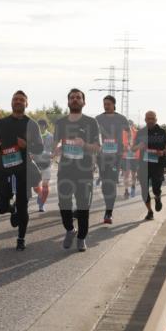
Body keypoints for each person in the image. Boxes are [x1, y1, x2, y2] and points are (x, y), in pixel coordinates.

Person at [0, 91, 43, 250]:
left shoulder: (32, 124)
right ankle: (11, 209)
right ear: (11, 103)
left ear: (27, 103)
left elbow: (39, 148)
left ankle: (21, 238)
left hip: (23, 170)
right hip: (4, 169)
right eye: (15, 99)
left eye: (21, 100)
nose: (18, 102)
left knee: (23, 205)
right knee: (1, 207)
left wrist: (27, 146)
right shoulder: (2, 123)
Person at [53, 88, 101, 252]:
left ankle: (81, 238)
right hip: (65, 169)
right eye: (72, 97)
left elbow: (97, 148)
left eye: (78, 97)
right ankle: (70, 229)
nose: (75, 99)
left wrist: (84, 145)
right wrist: (57, 148)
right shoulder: (60, 122)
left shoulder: (91, 122)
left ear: (83, 102)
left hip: (84, 171)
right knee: (64, 203)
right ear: (68, 102)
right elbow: (55, 144)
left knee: (82, 206)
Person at [96, 95, 130, 224]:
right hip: (102, 156)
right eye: (104, 104)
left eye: (108, 104)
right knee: (105, 184)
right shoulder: (98, 119)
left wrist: (129, 143)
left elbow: (129, 132)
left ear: (114, 104)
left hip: (116, 155)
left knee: (111, 182)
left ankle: (108, 212)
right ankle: (108, 208)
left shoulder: (121, 118)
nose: (106, 106)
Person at [136, 112, 166, 220]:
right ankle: (150, 211)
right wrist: (139, 146)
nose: (150, 120)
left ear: (156, 119)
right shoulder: (140, 132)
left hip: (158, 165)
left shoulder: (162, 132)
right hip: (143, 165)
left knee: (156, 188)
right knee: (144, 191)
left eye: (152, 118)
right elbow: (132, 148)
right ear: (145, 119)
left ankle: (157, 197)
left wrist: (163, 152)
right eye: (148, 118)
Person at [34, 118, 53, 211]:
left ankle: (41, 205)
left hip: (47, 164)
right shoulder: (34, 136)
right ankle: (39, 194)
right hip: (35, 164)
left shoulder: (51, 137)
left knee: (45, 185)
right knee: (35, 187)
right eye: (38, 126)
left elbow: (55, 150)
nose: (40, 128)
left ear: (45, 126)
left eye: (41, 126)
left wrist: (51, 155)